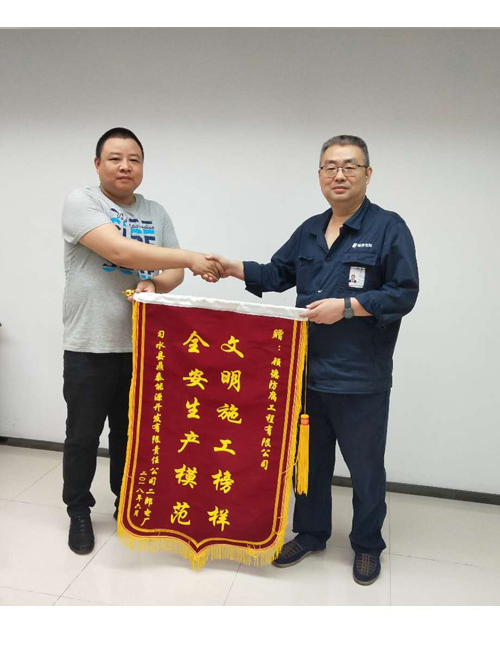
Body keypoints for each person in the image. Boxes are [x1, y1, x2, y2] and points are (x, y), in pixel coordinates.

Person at [208, 135, 419, 585]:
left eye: (349, 166)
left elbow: (404, 293)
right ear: (320, 175)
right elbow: (277, 273)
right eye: (329, 167)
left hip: (360, 377)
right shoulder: (309, 230)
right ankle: (310, 533)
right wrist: (230, 268)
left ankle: (367, 544)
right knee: (309, 461)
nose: (339, 175)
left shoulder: (388, 228)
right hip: (305, 372)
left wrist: (347, 307)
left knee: (365, 468)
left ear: (367, 174)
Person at [62, 127, 220, 555]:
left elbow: (173, 273)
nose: (125, 166)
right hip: (90, 344)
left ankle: (126, 505)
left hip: (143, 346)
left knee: (131, 434)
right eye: (115, 158)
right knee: (83, 435)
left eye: (134, 159)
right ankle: (78, 509)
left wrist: (156, 284)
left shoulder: (155, 211)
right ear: (98, 164)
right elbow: (122, 252)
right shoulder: (82, 202)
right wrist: (190, 256)